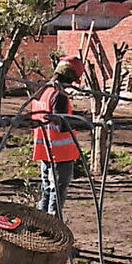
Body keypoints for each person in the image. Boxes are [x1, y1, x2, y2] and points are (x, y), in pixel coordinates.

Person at [31, 56, 84, 218]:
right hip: (60, 154)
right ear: (69, 77)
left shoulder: (43, 92)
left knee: (46, 190)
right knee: (56, 193)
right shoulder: (59, 96)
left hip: (45, 151)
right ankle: (53, 229)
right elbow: (61, 125)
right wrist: (82, 121)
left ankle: (40, 225)